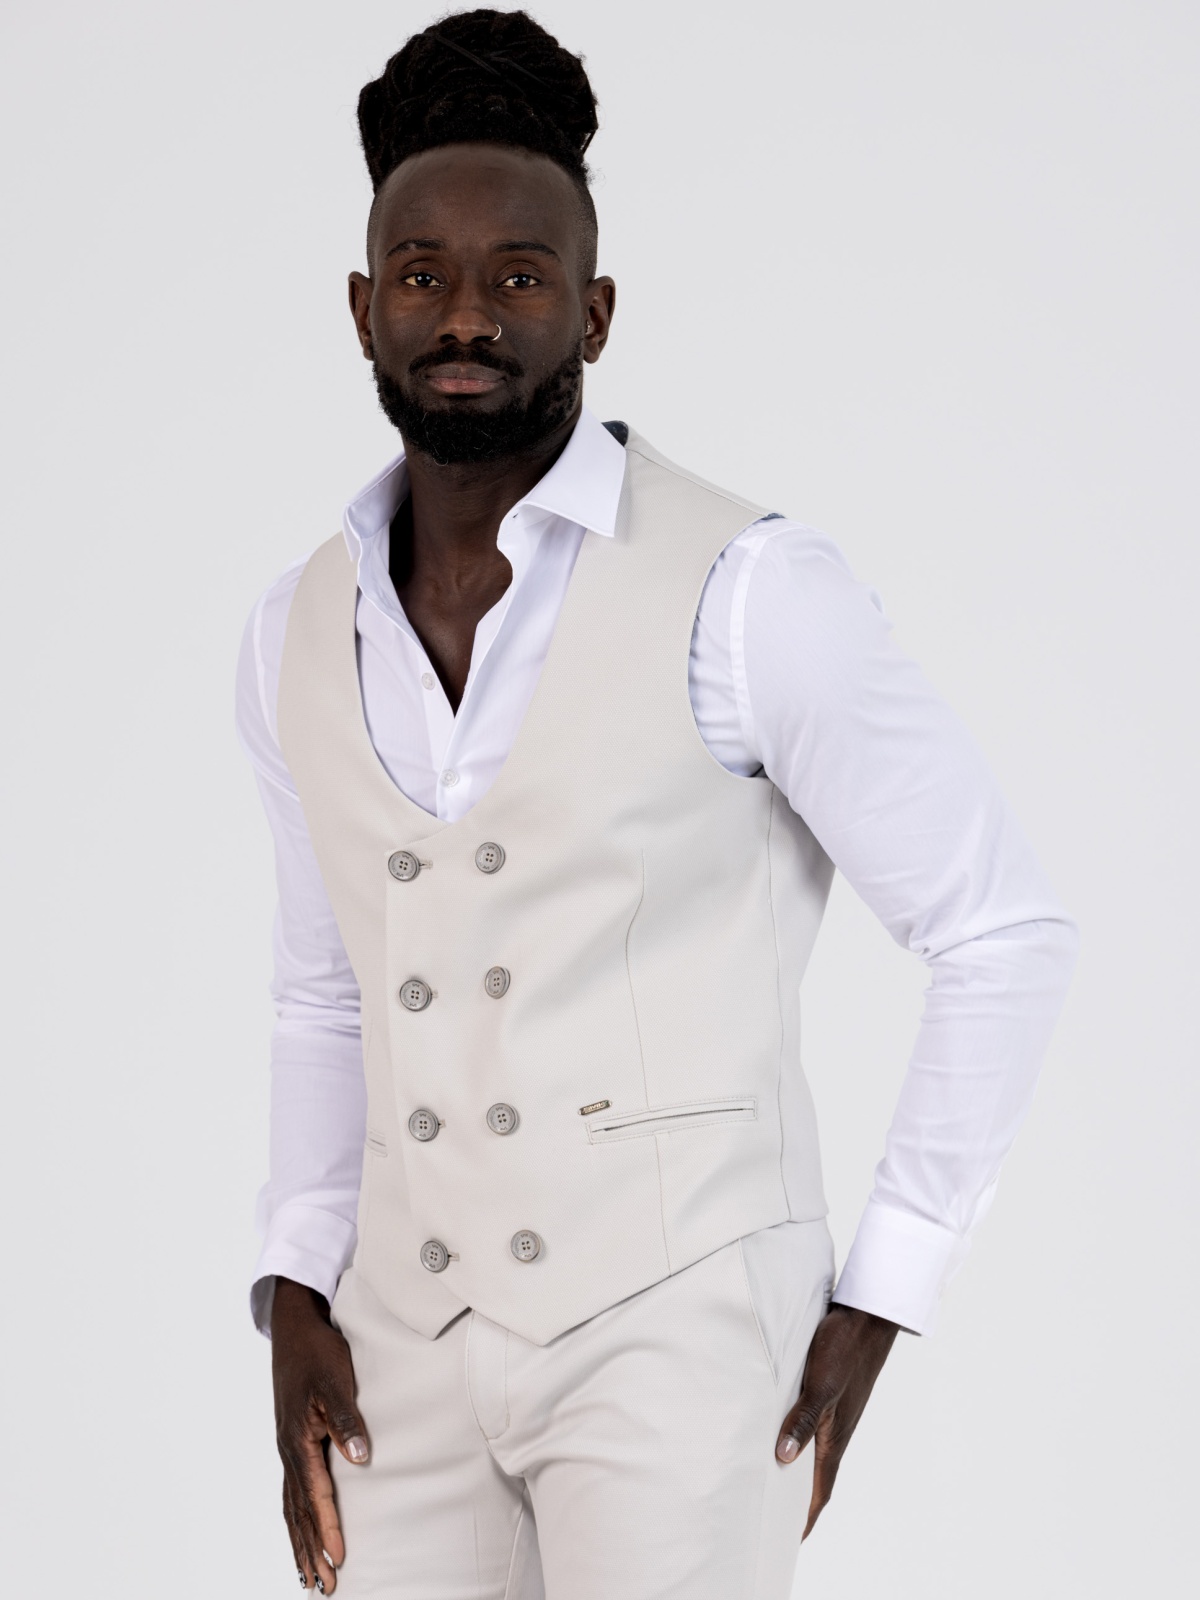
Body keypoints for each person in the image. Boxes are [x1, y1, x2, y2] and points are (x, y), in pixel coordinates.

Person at [235, 10, 1078, 1596]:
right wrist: (295, 1285)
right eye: (420, 274)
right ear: (362, 308)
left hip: (681, 1335)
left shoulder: (752, 592)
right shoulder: (291, 629)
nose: (464, 314)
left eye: (518, 277)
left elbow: (1000, 931)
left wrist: (883, 1291)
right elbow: (324, 991)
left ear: (595, 310)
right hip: (398, 1344)